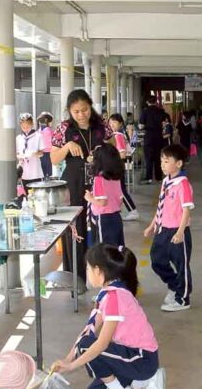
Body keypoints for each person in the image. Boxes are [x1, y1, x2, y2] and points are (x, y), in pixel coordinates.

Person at [51, 244, 165, 389]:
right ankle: (145, 382)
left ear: (98, 270)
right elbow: (88, 330)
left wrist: (72, 366)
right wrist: (68, 359)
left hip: (142, 359)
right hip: (128, 356)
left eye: (88, 268)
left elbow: (101, 344)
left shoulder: (113, 298)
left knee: (88, 346)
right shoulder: (106, 293)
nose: (87, 272)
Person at [49, 89, 108, 290]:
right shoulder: (64, 129)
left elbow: (113, 152)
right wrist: (67, 147)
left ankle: (104, 278)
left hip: (99, 182)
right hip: (73, 182)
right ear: (69, 111)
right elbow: (54, 159)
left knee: (101, 227)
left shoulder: (102, 127)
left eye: (85, 110)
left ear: (91, 106)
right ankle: (76, 280)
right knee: (75, 229)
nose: (81, 114)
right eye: (76, 111)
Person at [144, 144, 194, 313]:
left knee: (181, 266)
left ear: (178, 163)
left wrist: (180, 232)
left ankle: (183, 299)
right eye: (161, 161)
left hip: (178, 231)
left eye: (166, 161)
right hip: (162, 230)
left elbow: (186, 210)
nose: (162, 165)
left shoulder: (183, 184)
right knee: (157, 260)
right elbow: (162, 205)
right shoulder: (166, 181)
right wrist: (153, 225)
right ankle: (174, 285)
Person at [85, 144, 126, 248]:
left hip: (103, 219)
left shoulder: (99, 179)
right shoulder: (116, 178)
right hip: (116, 217)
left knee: (104, 249)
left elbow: (102, 202)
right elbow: (120, 200)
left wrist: (90, 198)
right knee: (117, 247)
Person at [107, 113, 140, 222]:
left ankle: (133, 211)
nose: (112, 125)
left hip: (117, 166)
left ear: (120, 124)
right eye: (110, 122)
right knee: (117, 190)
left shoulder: (118, 136)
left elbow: (122, 154)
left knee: (121, 190)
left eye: (114, 122)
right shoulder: (116, 135)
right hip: (116, 166)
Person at [16, 113, 44, 192]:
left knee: (37, 194)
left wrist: (33, 154)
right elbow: (17, 154)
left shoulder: (38, 136)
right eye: (23, 127)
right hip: (24, 172)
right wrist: (20, 156)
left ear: (32, 124)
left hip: (35, 172)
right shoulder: (19, 138)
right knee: (27, 195)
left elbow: (42, 153)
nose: (26, 129)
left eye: (27, 127)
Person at [140, 98, 165, 184]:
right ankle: (159, 177)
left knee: (148, 158)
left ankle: (149, 178)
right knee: (158, 158)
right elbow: (163, 124)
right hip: (158, 136)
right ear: (155, 102)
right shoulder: (161, 111)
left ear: (147, 102)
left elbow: (141, 126)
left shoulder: (145, 111)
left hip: (149, 137)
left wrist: (145, 126)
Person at [38, 112, 54, 178]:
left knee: (43, 168)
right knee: (49, 170)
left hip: (41, 152)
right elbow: (53, 141)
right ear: (46, 120)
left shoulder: (39, 130)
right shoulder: (49, 130)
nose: (51, 123)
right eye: (51, 121)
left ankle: (45, 178)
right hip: (49, 152)